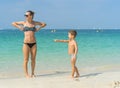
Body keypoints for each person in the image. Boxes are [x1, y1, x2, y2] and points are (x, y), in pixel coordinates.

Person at [12, 10, 46, 78]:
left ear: (31, 16)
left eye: (27, 15)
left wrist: (39, 28)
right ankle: (26, 74)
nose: (25, 16)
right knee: (26, 60)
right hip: (26, 43)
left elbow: (44, 24)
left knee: (33, 59)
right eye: (25, 15)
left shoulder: (34, 23)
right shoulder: (24, 22)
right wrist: (19, 27)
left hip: (34, 43)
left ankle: (33, 73)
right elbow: (13, 23)